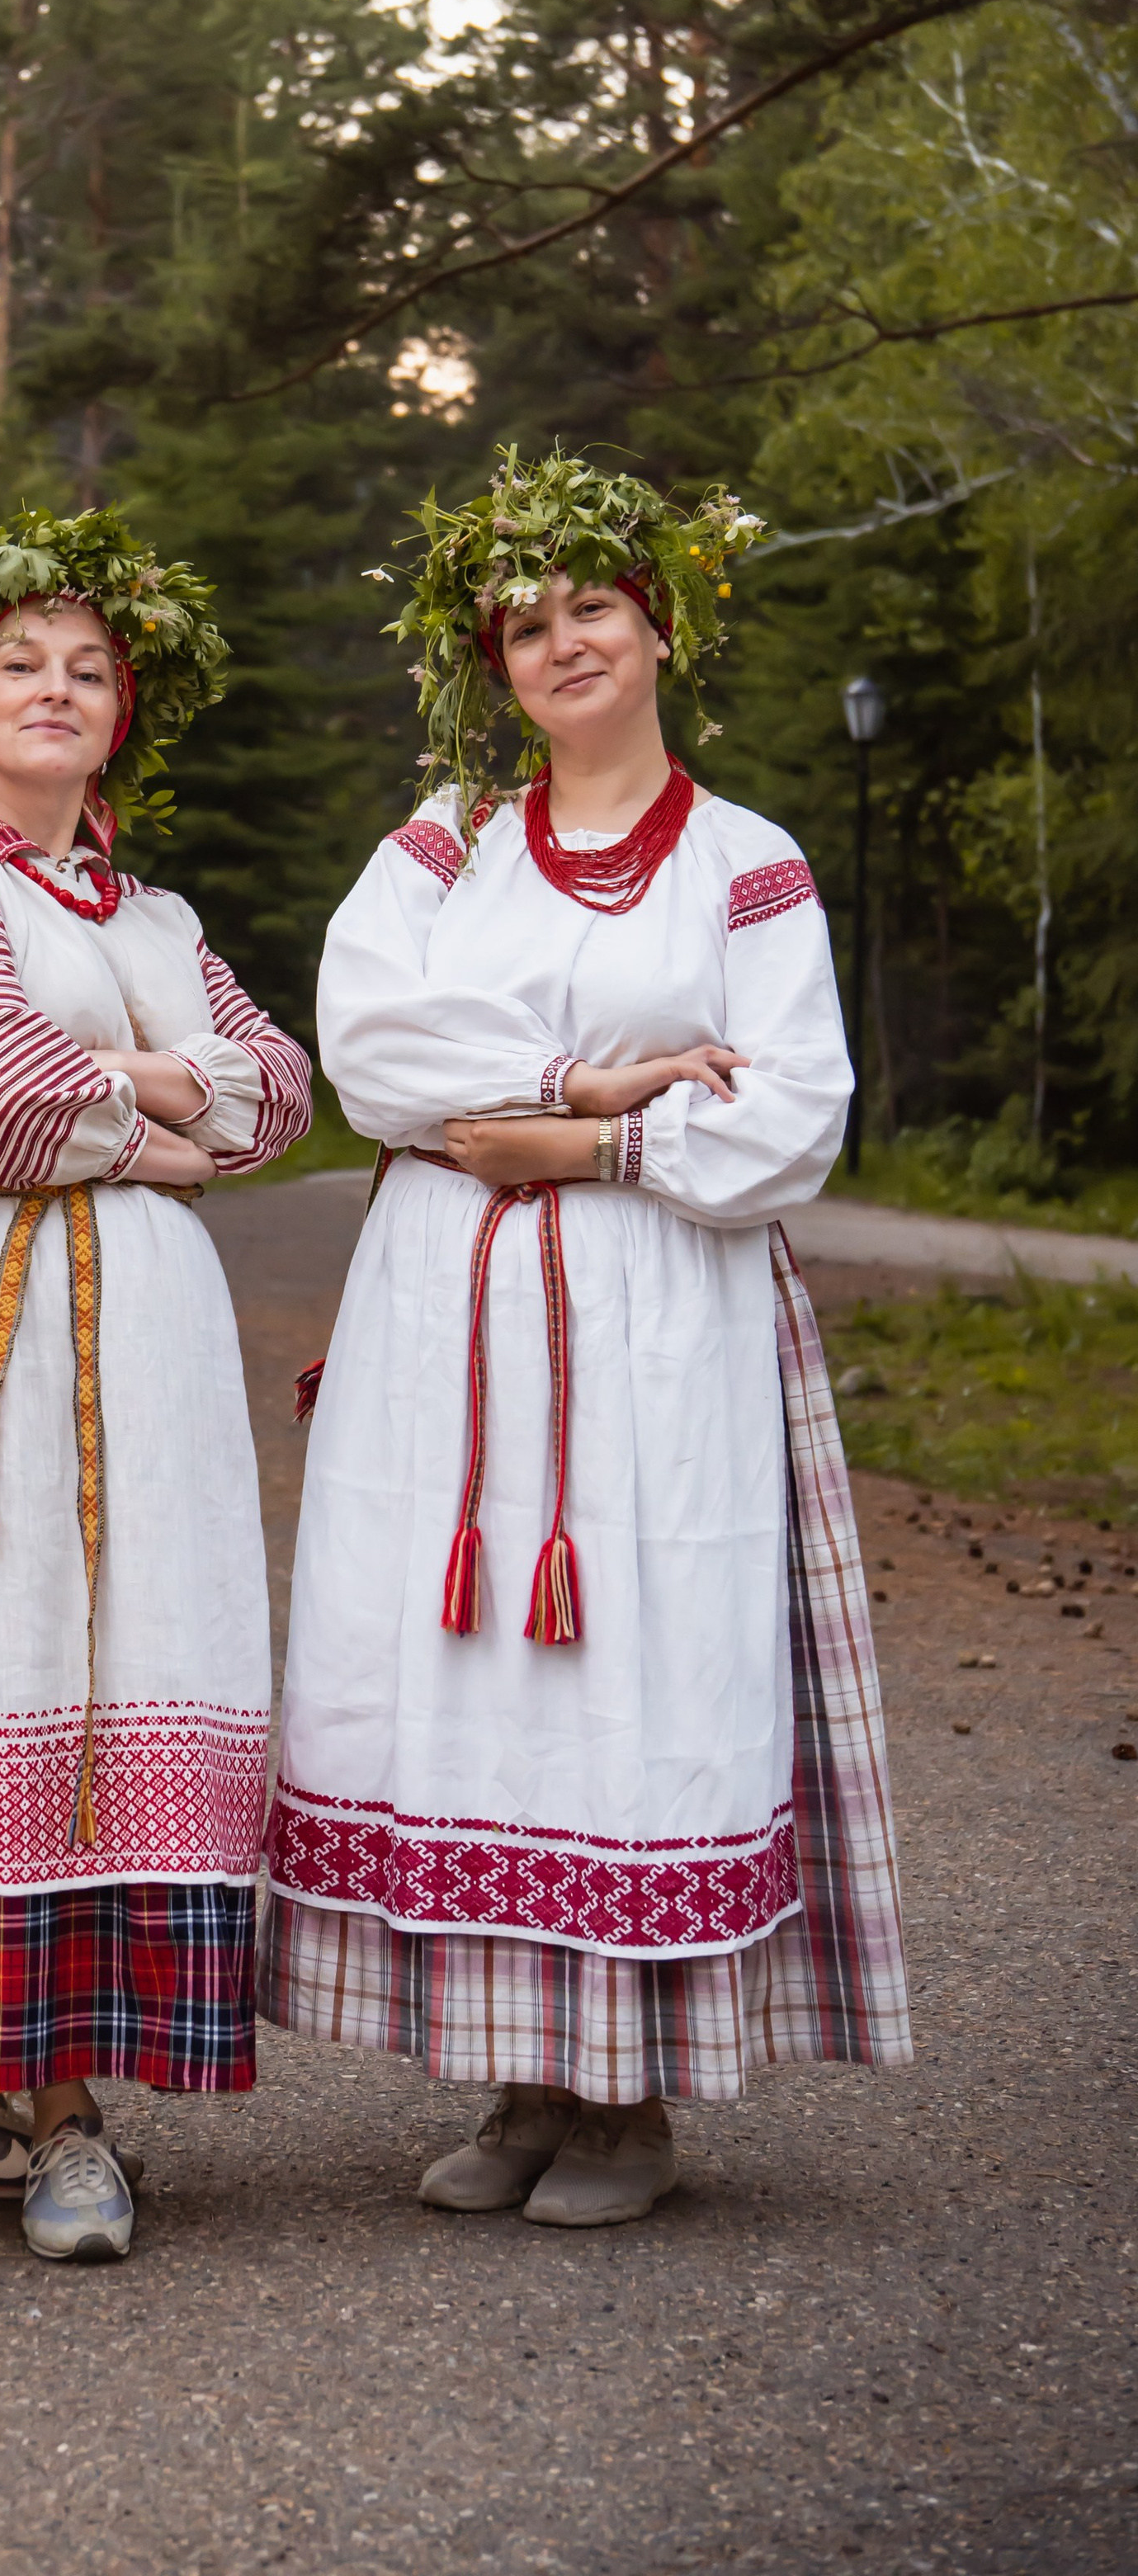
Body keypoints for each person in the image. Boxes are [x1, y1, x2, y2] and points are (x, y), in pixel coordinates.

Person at [261, 448, 909, 2228]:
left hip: (656, 1326)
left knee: (639, 1661)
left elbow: (788, 1120)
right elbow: (370, 1048)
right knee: (472, 1679)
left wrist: (585, 1145)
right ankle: (519, 2076)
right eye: (525, 623)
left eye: (592, 610)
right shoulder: (442, 845)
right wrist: (577, 1073)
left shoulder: (740, 861)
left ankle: (624, 2103)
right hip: (447, 1318)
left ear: (657, 625)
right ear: (492, 661)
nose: (561, 645)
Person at [0, 508, 311, 2262]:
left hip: (151, 1330)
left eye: (86, 669)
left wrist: (140, 1093)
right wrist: (164, 1105)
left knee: (134, 1657)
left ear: (121, 716)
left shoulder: (152, 910)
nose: (52, 687)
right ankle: (30, 2113)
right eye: (19, 660)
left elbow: (281, 1093)